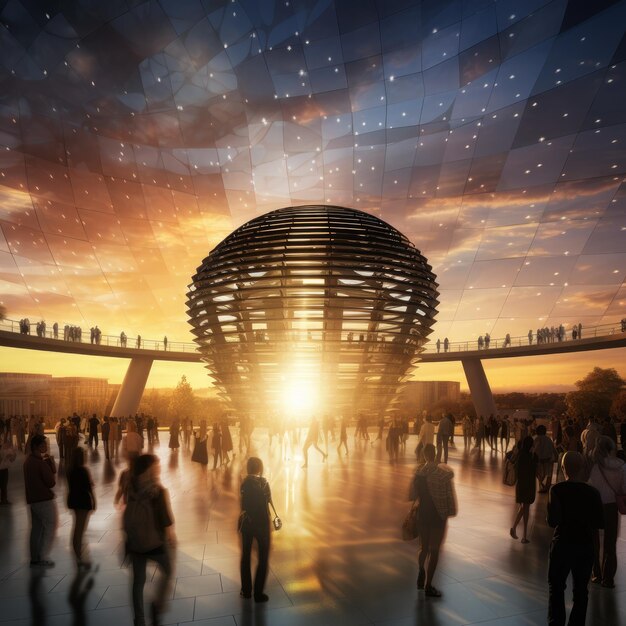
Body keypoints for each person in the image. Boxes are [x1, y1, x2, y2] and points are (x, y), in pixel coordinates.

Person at [547, 452, 604, 626]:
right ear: (582, 468)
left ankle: (556, 622)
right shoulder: (593, 493)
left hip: (562, 544)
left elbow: (552, 521)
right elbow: (599, 523)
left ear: (563, 468)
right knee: (581, 592)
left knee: (556, 588)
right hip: (584, 546)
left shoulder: (556, 490)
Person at [123, 454, 176, 626]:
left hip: (135, 543)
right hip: (155, 542)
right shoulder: (157, 491)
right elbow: (165, 519)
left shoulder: (130, 487)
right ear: (149, 468)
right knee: (167, 570)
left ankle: (139, 619)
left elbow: (127, 513)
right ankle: (157, 605)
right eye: (156, 465)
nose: (158, 468)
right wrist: (171, 536)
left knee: (138, 582)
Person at [409, 443, 457, 597]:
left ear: (423, 455)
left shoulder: (418, 473)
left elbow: (412, 495)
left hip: (422, 514)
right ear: (435, 453)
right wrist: (450, 511)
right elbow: (449, 495)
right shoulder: (443, 474)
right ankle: (428, 585)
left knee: (423, 548)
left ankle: (421, 569)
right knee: (434, 551)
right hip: (437, 516)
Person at [588, 436, 626, 588]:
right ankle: (608, 577)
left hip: (595, 506)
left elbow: (591, 487)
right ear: (612, 448)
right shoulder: (622, 466)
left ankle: (596, 573)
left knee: (594, 542)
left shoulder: (596, 467)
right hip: (611, 507)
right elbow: (624, 489)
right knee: (610, 543)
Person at [239, 457, 274, 603]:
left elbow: (243, 506)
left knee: (245, 556)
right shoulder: (265, 483)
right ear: (260, 468)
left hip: (247, 525)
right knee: (263, 559)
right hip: (263, 525)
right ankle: (258, 593)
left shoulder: (244, 483)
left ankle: (246, 591)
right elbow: (268, 503)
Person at [24, 434, 58, 567]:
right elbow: (51, 482)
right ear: (36, 447)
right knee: (50, 525)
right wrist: (50, 467)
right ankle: (43, 556)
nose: (46, 447)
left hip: (32, 500)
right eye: (43, 445)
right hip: (44, 499)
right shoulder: (40, 463)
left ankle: (34, 557)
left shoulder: (28, 462)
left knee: (36, 529)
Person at [67, 447, 95, 567]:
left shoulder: (70, 470)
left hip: (73, 499)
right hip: (83, 501)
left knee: (77, 528)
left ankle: (78, 554)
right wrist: (94, 501)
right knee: (80, 530)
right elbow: (89, 488)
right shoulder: (83, 471)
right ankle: (79, 556)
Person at [510, 436, 537, 544]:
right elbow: (536, 471)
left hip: (521, 485)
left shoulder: (520, 456)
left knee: (524, 508)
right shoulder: (533, 457)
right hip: (530, 485)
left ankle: (515, 529)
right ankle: (523, 535)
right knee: (526, 509)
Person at [533, 425, 556, 493]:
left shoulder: (536, 439)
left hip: (539, 461)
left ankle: (542, 486)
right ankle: (546, 487)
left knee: (540, 474)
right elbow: (553, 449)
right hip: (548, 460)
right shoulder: (548, 439)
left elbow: (534, 450)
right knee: (548, 474)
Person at [0, 439, 17, 504]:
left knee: (4, 485)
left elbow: (12, 459)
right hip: (1, 469)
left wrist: (12, 454)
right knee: (3, 484)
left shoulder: (5, 449)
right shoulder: (2, 449)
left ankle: (4, 500)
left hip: (4, 469)